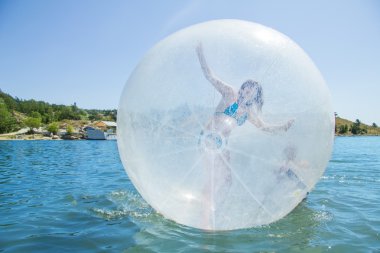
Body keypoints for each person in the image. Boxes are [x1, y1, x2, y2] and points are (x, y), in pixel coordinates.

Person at [196, 43, 294, 228]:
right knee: (212, 178)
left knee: (227, 181)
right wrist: (200, 53)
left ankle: (214, 209)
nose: (246, 91)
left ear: (254, 97)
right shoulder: (229, 93)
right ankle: (205, 222)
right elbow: (210, 76)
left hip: (222, 144)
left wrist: (283, 127)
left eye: (252, 91)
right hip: (208, 139)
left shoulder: (246, 112)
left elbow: (263, 127)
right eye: (246, 87)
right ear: (242, 88)